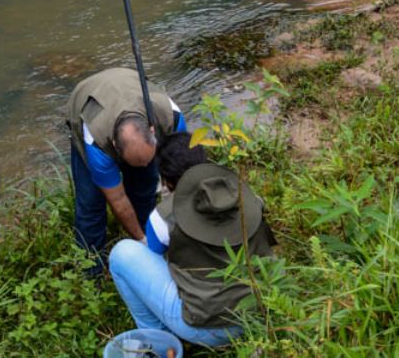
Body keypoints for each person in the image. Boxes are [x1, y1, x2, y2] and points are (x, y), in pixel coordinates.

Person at [108, 133, 276, 347]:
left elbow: (156, 255)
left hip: (206, 329)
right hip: (262, 311)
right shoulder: (246, 195)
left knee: (122, 253)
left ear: (167, 182)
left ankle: (159, 341)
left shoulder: (163, 217)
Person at [65, 67, 186, 265]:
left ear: (152, 131)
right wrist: (141, 240)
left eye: (148, 159)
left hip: (130, 85)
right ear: (115, 147)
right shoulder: (96, 144)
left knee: (145, 189)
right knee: (91, 207)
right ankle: (91, 269)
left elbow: (180, 167)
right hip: (89, 101)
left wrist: (168, 188)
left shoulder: (172, 117)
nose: (146, 165)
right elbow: (118, 200)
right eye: (137, 162)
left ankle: (153, 245)